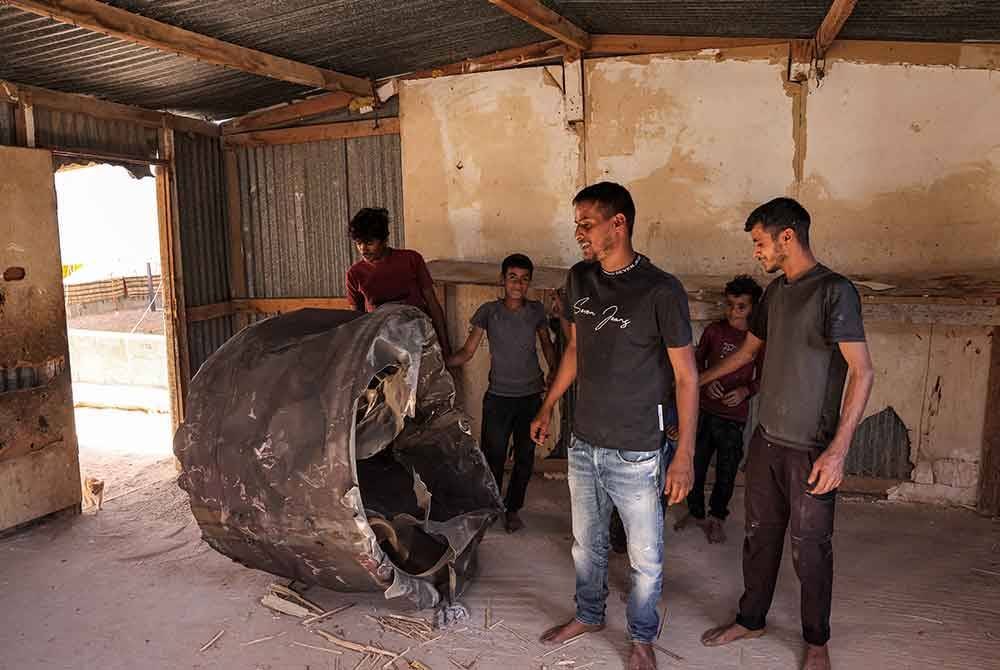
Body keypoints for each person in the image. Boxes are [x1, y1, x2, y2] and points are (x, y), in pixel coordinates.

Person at [698, 198, 874, 670]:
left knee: (811, 547)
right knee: (759, 534)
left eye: (760, 242)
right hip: (767, 440)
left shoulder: (836, 291)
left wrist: (838, 451)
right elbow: (748, 353)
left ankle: (817, 640)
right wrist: (692, 382)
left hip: (811, 448)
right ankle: (751, 617)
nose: (757, 252)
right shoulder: (775, 293)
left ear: (787, 237)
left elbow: (862, 373)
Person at [529, 182, 699, 670]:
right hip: (584, 442)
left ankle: (642, 638)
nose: (578, 232)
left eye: (587, 223)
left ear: (618, 223)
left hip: (638, 450)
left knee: (645, 559)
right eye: (577, 223)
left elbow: (686, 377)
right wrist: (547, 407)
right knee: (587, 545)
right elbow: (577, 351)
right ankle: (589, 614)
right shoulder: (579, 279)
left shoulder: (661, 291)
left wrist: (683, 456)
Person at [446, 253, 558, 533]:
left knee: (524, 457)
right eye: (512, 278)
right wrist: (438, 362)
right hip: (498, 397)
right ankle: (492, 506)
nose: (518, 284)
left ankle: (512, 509)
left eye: (524, 279)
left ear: (529, 283)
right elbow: (468, 351)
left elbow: (546, 345)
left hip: (531, 398)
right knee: (492, 456)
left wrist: (556, 371)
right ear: (502, 280)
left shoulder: (536, 312)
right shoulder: (488, 311)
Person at [674, 274, 764, 544]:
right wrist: (704, 384)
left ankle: (717, 517)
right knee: (696, 464)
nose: (733, 311)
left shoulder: (758, 339)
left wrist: (745, 391)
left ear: (753, 308)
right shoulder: (715, 331)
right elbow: (695, 365)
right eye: (730, 305)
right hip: (703, 411)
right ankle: (696, 511)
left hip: (733, 417)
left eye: (741, 306)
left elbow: (763, 377)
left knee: (727, 468)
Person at [345, 207, 451, 357]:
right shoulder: (355, 274)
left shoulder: (411, 260)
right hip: (383, 348)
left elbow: (433, 304)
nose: (363, 249)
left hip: (419, 341)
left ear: (384, 240)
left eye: (369, 243)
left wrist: (445, 347)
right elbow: (357, 321)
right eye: (358, 243)